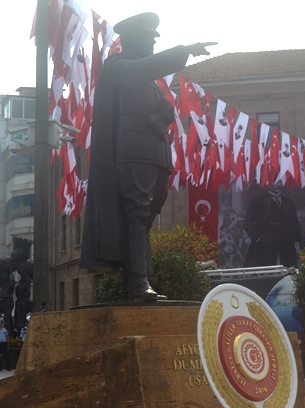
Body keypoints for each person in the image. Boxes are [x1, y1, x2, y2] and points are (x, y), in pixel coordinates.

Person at [80, 12, 215, 300]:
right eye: (149, 39)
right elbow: (139, 72)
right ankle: (139, 282)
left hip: (154, 154)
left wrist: (162, 114)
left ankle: (133, 284)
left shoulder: (146, 79)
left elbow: (158, 108)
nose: (153, 44)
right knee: (136, 215)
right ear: (133, 40)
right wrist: (183, 52)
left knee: (144, 219)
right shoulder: (118, 66)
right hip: (132, 154)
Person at [242, 180, 302, 267]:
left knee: (289, 269)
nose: (278, 185)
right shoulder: (258, 202)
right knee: (266, 270)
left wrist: (296, 242)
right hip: (266, 243)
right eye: (275, 182)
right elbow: (247, 222)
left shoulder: (288, 202)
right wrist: (257, 238)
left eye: (280, 182)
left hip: (286, 242)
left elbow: (294, 223)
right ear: (268, 183)